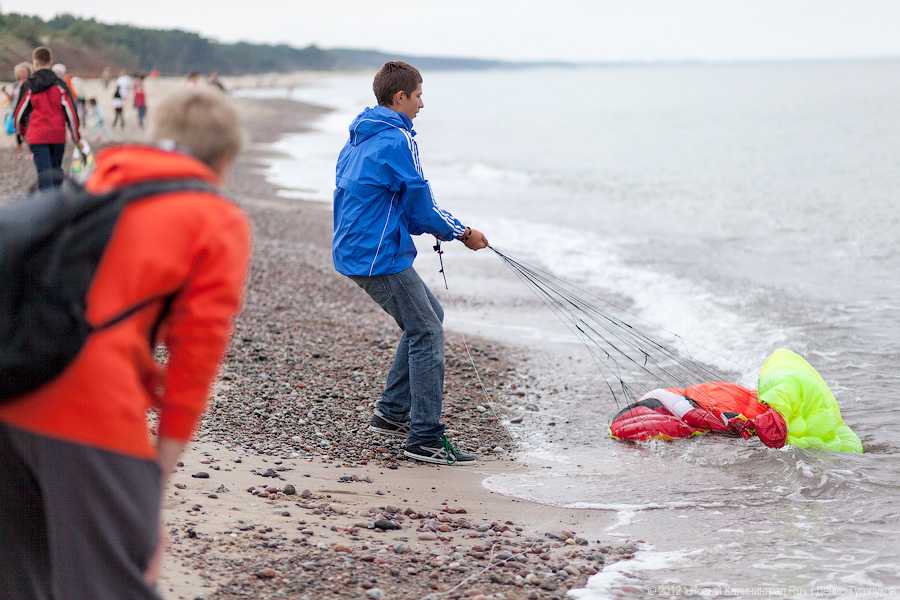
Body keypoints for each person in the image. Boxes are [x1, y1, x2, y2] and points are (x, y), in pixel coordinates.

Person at [0, 87, 252, 599]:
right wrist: (156, 474)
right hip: (88, 412)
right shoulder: (215, 219)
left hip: (10, 389)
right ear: (225, 158)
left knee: (24, 581)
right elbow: (195, 356)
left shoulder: (91, 185)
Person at [332, 60, 489, 466]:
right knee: (427, 330)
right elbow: (421, 208)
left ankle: (391, 413)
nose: (422, 103)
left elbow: (395, 200)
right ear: (399, 97)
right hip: (375, 255)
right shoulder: (398, 139)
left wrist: (444, 227)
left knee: (427, 317)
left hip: (355, 249)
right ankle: (424, 439)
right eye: (418, 95)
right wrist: (462, 232)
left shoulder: (359, 136)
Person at [12, 46, 80, 189]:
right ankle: (57, 206)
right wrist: (76, 137)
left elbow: (19, 114)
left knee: (44, 175)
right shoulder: (61, 85)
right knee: (56, 172)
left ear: (35, 63)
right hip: (57, 135)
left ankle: (49, 207)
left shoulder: (29, 85)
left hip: (37, 136)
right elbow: (71, 113)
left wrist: (21, 132)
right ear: (51, 62)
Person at [2, 61, 33, 160]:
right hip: (16, 110)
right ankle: (19, 151)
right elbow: (12, 98)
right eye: (21, 71)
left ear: (28, 72)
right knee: (17, 132)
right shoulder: (15, 84)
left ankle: (29, 152)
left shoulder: (30, 83)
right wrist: (5, 92)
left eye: (24, 71)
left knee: (28, 131)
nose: (23, 73)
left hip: (27, 111)